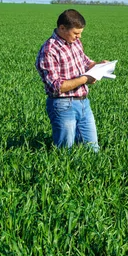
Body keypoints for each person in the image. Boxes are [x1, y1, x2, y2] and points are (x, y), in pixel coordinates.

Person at [35, 9, 106, 151]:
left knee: (93, 149)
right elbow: (57, 86)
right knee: (65, 151)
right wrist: (85, 79)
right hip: (62, 105)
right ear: (62, 28)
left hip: (84, 103)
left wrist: (98, 65)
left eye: (80, 33)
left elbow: (85, 62)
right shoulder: (49, 50)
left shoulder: (75, 43)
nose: (79, 37)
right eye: (76, 33)